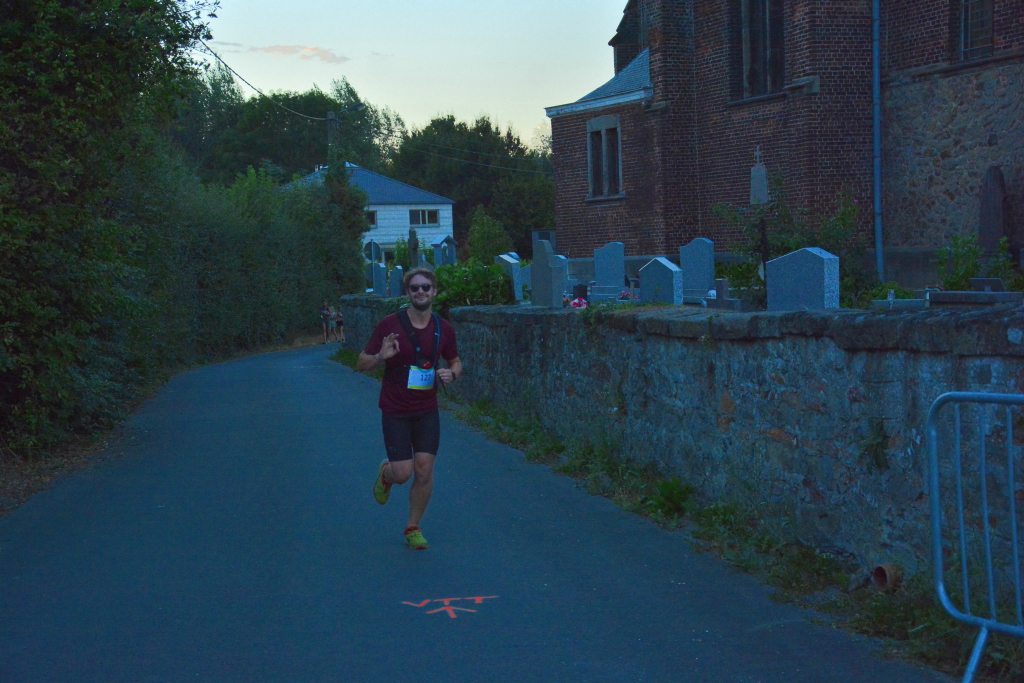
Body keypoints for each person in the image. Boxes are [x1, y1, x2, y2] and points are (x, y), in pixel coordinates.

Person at [356, 267, 461, 550]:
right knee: (403, 474)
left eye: (426, 287)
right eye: (415, 288)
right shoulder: (390, 325)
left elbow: (455, 361)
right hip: (396, 409)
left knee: (424, 470)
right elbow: (361, 363)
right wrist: (380, 356)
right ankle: (387, 474)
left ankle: (413, 527)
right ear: (407, 293)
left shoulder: (444, 328)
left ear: (434, 291)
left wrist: (452, 374)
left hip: (427, 409)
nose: (420, 292)